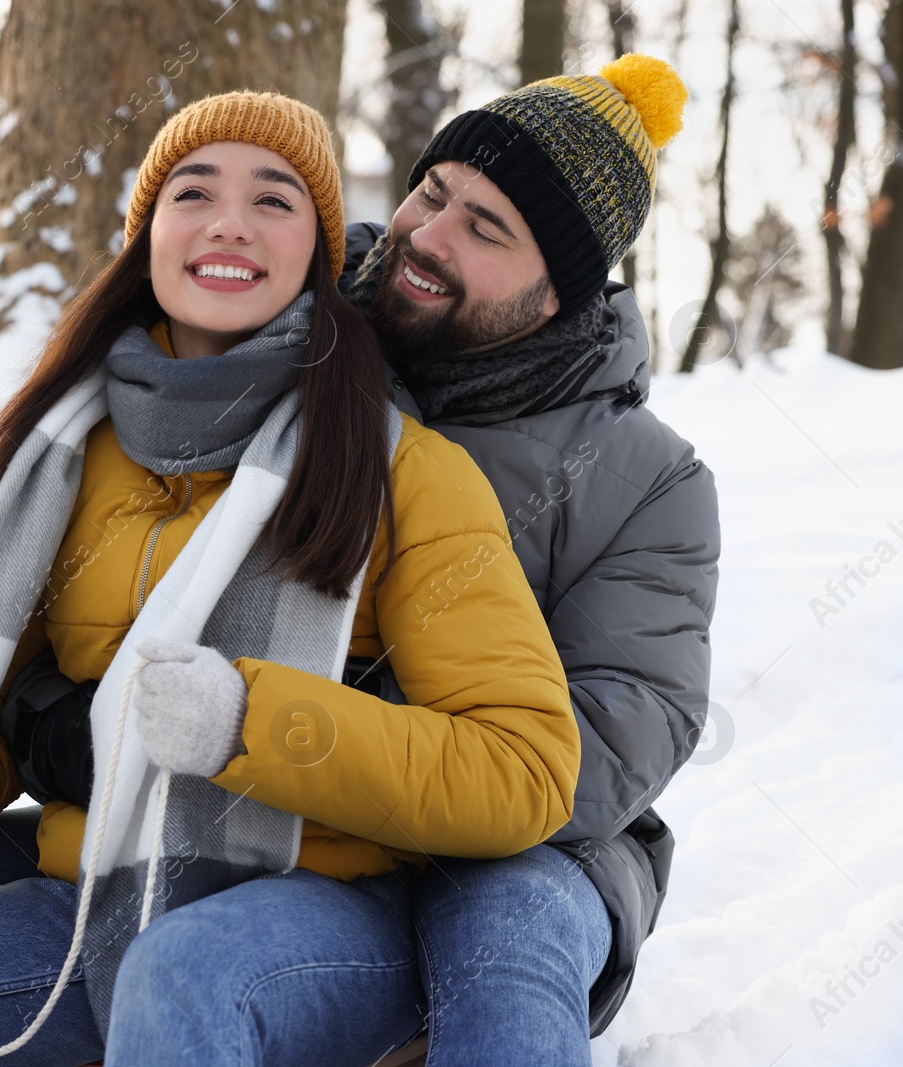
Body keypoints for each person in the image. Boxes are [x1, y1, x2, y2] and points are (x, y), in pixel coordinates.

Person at [0, 90, 584, 1067]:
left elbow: (526, 772)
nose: (227, 222)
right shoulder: (61, 452)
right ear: (147, 234)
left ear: (319, 254)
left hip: (330, 908)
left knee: (183, 964)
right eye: (192, 191)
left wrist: (250, 721)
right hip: (91, 882)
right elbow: (27, 731)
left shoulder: (400, 470)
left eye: (274, 200)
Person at [330, 53, 720, 1061]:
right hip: (263, 780)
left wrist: (338, 766)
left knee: (507, 935)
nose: (427, 233)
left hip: (528, 844)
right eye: (433, 191)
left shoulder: (647, 479)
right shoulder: (299, 340)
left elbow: (621, 730)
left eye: (484, 227)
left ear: (558, 292)